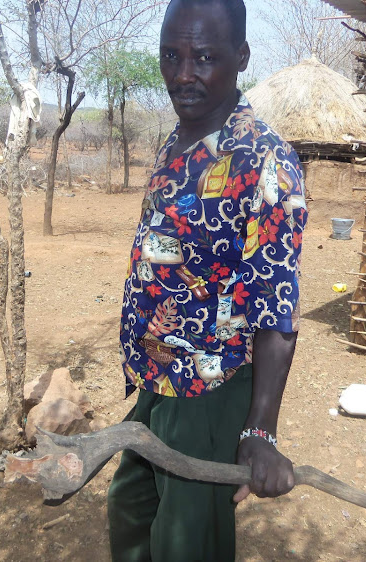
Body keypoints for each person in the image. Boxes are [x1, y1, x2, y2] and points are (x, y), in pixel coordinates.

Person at [108, 0, 307, 559]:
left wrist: (259, 432)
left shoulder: (264, 162)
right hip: (159, 376)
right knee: (130, 512)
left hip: (211, 391)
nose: (183, 74)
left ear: (240, 57)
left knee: (185, 544)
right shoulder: (177, 143)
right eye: (172, 56)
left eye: (204, 57)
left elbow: (277, 311)